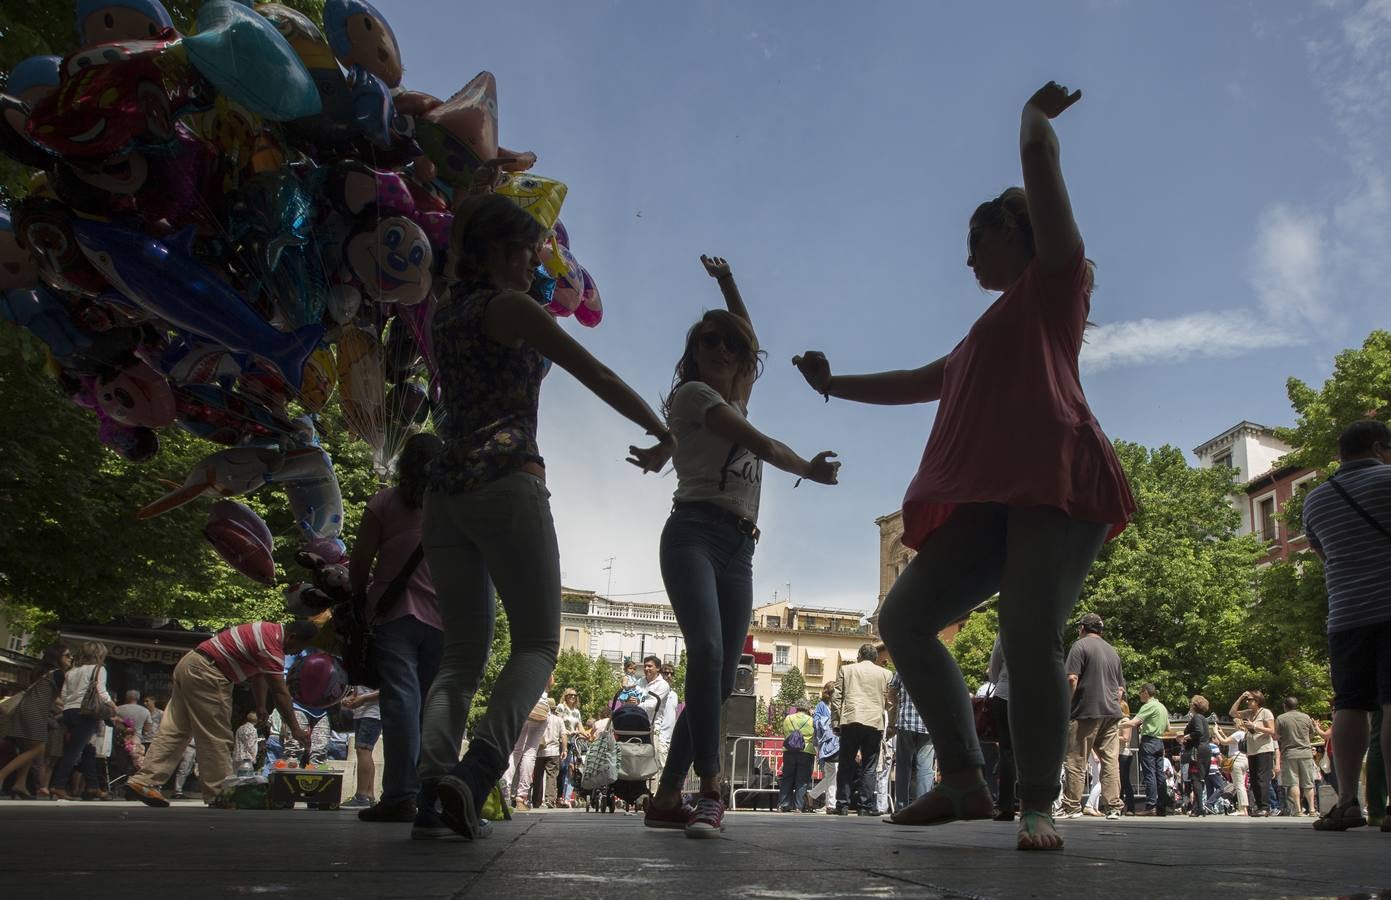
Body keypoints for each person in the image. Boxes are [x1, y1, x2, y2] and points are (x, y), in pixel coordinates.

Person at [794, 82, 1134, 852]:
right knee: (905, 618)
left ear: (1010, 231)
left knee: (1026, 632)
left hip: (1054, 474)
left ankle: (1039, 802)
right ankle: (962, 779)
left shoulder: (1053, 283)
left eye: (975, 241)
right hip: (991, 496)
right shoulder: (986, 330)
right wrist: (831, 384)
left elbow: (1038, 157)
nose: (967, 257)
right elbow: (922, 381)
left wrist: (1034, 116)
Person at [417, 193, 675, 841]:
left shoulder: (446, 313)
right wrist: (658, 427)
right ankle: (474, 776)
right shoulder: (510, 308)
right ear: (502, 254)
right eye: (529, 255)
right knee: (537, 642)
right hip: (506, 479)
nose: (536, 268)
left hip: (443, 491)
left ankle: (427, 787)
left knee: (461, 655)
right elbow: (595, 371)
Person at [641, 253, 840, 839]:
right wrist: (809, 467)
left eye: (729, 344)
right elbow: (760, 443)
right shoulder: (693, 398)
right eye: (708, 343)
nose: (722, 350)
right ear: (695, 354)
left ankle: (667, 794)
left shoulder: (738, 388)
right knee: (704, 655)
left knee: (720, 674)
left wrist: (727, 281)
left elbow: (748, 337)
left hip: (740, 549)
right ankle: (709, 790)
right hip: (692, 536)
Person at [349, 432, 446, 824]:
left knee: (400, 703)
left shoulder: (384, 502)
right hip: (444, 618)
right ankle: (429, 795)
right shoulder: (453, 505)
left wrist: (358, 599)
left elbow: (359, 562)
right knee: (431, 706)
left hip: (393, 615)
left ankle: (400, 795)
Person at [1301, 419, 1391, 831]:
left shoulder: (1316, 500)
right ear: (1378, 446)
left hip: (1346, 615)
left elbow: (1323, 555)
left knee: (1350, 704)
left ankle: (1348, 802)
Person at [125, 620, 316, 807]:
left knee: (175, 730)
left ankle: (144, 781)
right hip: (210, 673)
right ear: (293, 636)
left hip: (191, 663)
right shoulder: (272, 647)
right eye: (301, 646)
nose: (298, 652)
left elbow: (259, 673)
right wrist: (296, 730)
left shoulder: (266, 628)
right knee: (216, 735)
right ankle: (219, 793)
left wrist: (260, 706)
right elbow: (280, 693)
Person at [1059, 613, 1125, 821]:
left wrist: (1068, 704)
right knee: (1110, 761)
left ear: (1082, 628)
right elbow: (1120, 690)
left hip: (1085, 711)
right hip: (1111, 713)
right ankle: (1114, 806)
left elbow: (1071, 678)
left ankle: (1072, 806)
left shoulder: (1080, 646)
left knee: (1076, 760)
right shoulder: (1113, 651)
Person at [830, 643, 893, 817]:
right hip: (874, 723)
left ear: (859, 655)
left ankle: (842, 804)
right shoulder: (886, 674)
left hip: (850, 720)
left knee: (846, 764)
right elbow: (891, 702)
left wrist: (836, 721)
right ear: (876, 658)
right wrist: (891, 725)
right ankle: (865, 806)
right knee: (870, 766)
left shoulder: (846, 670)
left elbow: (836, 698)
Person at [0, 644, 68, 799]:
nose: (70, 659)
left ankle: (20, 784)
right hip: (35, 712)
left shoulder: (41, 671)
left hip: (26, 709)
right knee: (37, 748)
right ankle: (2, 775)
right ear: (57, 657)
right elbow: (58, 697)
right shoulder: (58, 673)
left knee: (27, 750)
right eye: (67, 655)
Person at [51, 641, 117, 799]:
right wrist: (113, 707)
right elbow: (101, 692)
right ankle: (58, 785)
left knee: (88, 748)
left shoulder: (72, 671)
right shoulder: (99, 669)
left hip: (70, 711)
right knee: (74, 750)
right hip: (86, 711)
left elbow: (65, 695)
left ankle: (92, 786)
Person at [886, 671, 935, 812]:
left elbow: (891, 693)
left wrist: (896, 712)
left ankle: (901, 806)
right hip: (928, 723)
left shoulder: (902, 667)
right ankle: (923, 808)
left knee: (903, 766)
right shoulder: (936, 668)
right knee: (925, 767)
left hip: (906, 722)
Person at [1121, 684, 1169, 816]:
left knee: (1149, 775)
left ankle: (1150, 806)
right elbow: (1167, 728)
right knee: (1160, 775)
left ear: (1146, 692)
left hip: (1149, 742)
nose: (1139, 695)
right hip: (1160, 741)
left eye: (1140, 692)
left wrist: (1116, 725)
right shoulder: (1162, 707)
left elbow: (1132, 723)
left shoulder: (1149, 706)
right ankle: (1161, 807)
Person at [1230, 690, 1277, 816]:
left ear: (1257, 701)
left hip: (1264, 749)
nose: (1247, 701)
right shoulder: (1248, 713)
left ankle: (1265, 807)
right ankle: (1259, 806)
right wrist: (1240, 697)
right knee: (1255, 780)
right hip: (1252, 751)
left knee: (1262, 779)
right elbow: (1232, 713)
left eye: (1250, 699)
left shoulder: (1265, 712)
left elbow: (1272, 731)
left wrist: (1254, 726)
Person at [1274, 696, 1318, 817]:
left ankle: (1298, 810)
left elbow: (1276, 736)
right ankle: (1312, 810)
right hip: (1306, 753)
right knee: (1308, 783)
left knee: (1293, 783)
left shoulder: (1281, 718)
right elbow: (1312, 733)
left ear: (1285, 706)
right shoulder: (1306, 717)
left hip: (1289, 754)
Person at [342, 686, 381, 808]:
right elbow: (358, 692)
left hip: (373, 713)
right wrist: (350, 698)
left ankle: (361, 796)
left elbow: (386, 689)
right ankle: (369, 796)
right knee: (365, 752)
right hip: (360, 713)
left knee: (363, 750)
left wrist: (363, 699)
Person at [778, 701, 815, 812]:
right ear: (807, 708)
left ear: (797, 708)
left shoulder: (788, 718)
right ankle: (799, 806)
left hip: (789, 751)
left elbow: (785, 732)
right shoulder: (811, 720)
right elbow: (815, 734)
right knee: (802, 780)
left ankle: (783, 804)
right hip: (806, 751)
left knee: (787, 778)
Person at [810, 683, 840, 813]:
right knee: (832, 774)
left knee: (832, 775)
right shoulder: (822, 706)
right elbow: (817, 725)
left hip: (837, 743)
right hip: (828, 744)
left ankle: (814, 795)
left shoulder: (835, 705)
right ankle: (830, 804)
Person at [1179, 696, 1211, 816]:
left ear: (1193, 705)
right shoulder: (1203, 718)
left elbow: (1198, 731)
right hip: (1204, 749)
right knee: (1199, 778)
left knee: (1195, 778)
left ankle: (1198, 808)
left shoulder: (1196, 717)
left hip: (1197, 750)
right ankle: (1198, 807)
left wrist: (1186, 737)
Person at [1213, 720, 1248, 815]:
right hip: (1244, 759)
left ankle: (1242, 809)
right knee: (1241, 785)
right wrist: (1222, 733)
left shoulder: (1238, 733)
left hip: (1236, 760)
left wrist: (1216, 732)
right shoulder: (1245, 734)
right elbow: (1231, 742)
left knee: (1239, 785)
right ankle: (1244, 809)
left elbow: (1224, 742)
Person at [534, 699, 565, 809]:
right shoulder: (558, 720)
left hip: (539, 751)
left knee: (538, 776)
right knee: (551, 775)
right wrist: (564, 749)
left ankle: (536, 800)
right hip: (554, 751)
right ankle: (550, 799)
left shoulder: (539, 718)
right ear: (554, 708)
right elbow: (563, 735)